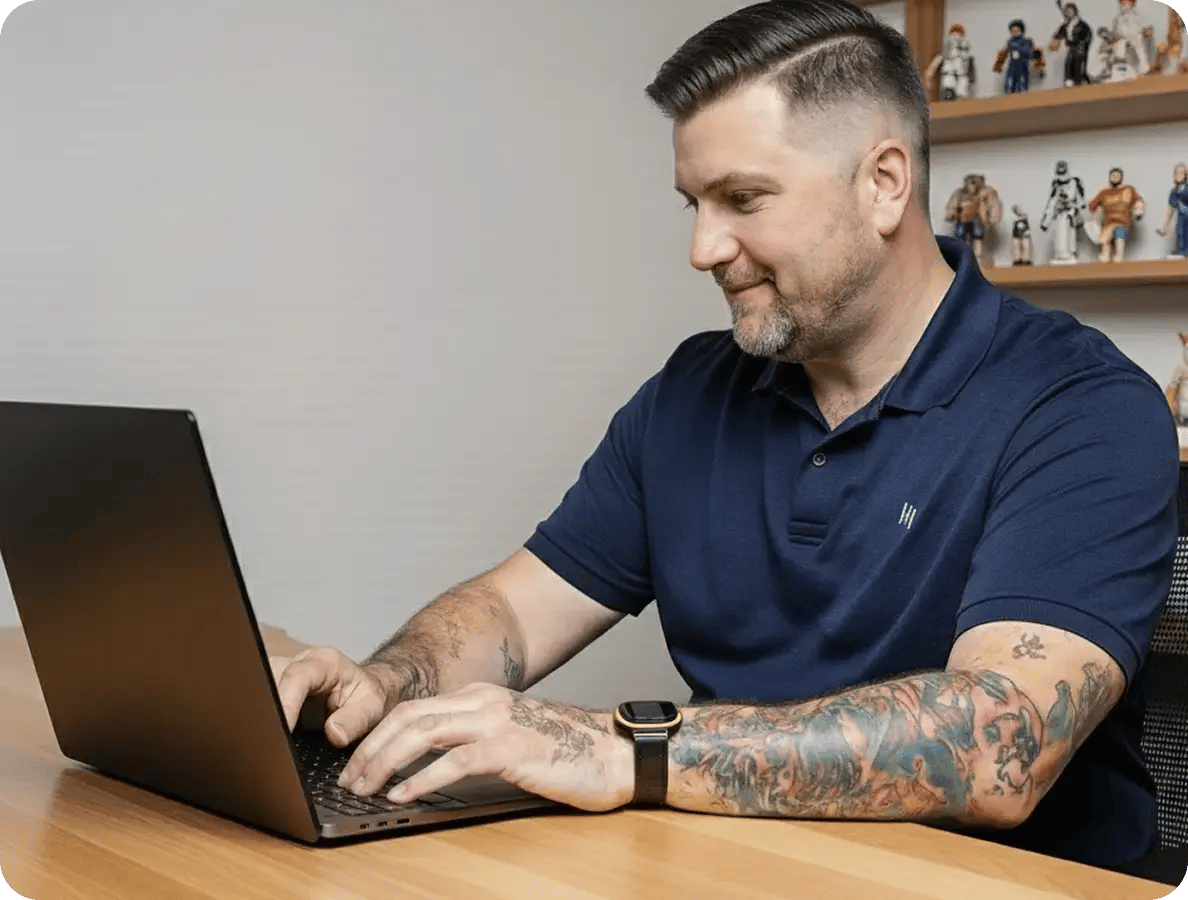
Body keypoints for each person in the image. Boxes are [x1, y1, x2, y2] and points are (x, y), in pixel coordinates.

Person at [270, 0, 1178, 875]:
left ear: (884, 184)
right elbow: (512, 611)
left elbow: (998, 744)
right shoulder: (691, 392)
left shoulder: (1082, 405)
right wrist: (387, 686)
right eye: (693, 204)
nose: (704, 248)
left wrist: (627, 748)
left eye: (743, 198)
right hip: (733, 868)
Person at [1088, 167, 1144, 262]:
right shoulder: (1104, 193)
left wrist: (1139, 210)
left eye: (1117, 176)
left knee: (1119, 241)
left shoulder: (1128, 190)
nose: (1115, 177)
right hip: (1107, 225)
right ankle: (1105, 263)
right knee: (1105, 248)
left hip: (1122, 223)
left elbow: (1138, 202)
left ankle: (1119, 259)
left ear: (1121, 178)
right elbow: (1091, 207)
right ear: (1109, 177)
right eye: (1113, 176)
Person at [1049, 1, 1094, 86]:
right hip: (1071, 48)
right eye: (1066, 11)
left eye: (1070, 11)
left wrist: (1083, 46)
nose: (1068, 13)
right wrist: (1054, 42)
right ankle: (1069, 82)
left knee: (1079, 66)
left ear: (1075, 12)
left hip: (1080, 49)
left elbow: (1088, 36)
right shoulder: (1066, 25)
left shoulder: (1082, 25)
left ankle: (1080, 82)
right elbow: (1058, 35)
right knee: (1069, 63)